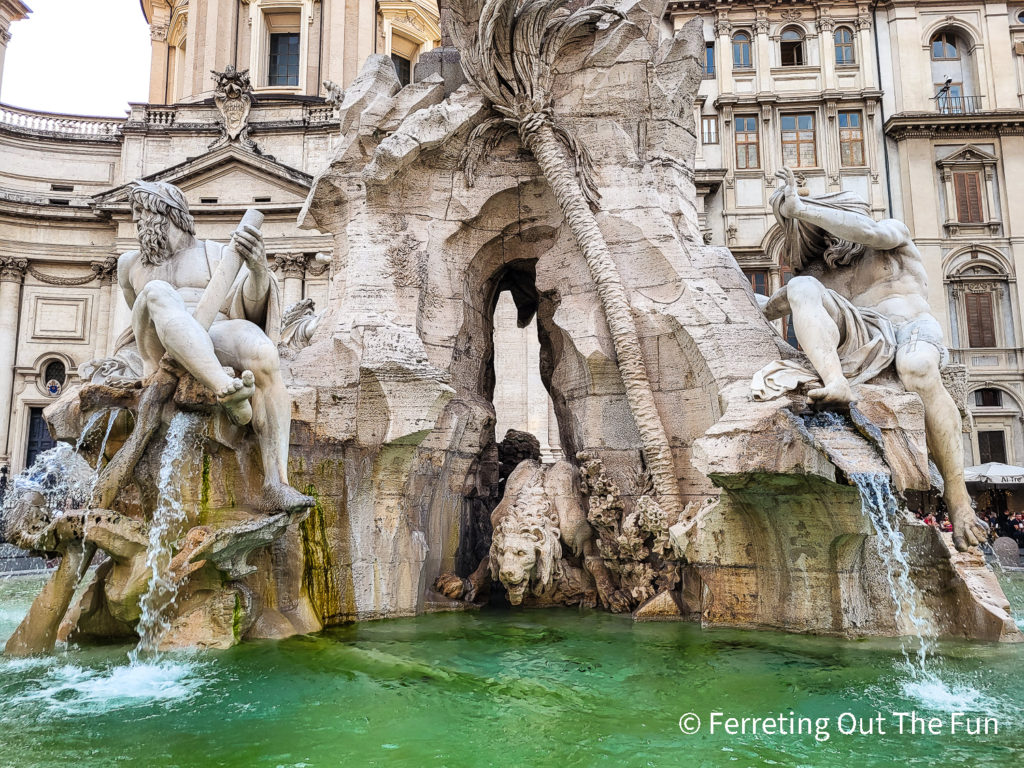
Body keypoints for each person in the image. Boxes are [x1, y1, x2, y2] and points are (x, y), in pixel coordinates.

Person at [754, 168, 987, 552]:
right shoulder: (828, 277)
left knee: (917, 368)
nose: (830, 239)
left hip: (913, 328)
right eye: (821, 234)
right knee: (800, 285)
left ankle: (958, 499)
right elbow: (773, 306)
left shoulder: (889, 235)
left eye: (829, 225)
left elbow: (869, 232)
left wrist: (802, 207)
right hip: (869, 338)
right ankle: (837, 383)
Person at [119, 180, 312, 513]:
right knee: (157, 293)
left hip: (213, 331)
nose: (135, 219)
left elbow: (249, 308)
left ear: (169, 213)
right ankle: (226, 388)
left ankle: (276, 483)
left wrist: (257, 269)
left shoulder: (216, 253)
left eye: (142, 211)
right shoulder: (130, 265)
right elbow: (137, 322)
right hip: (159, 342)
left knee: (264, 354)